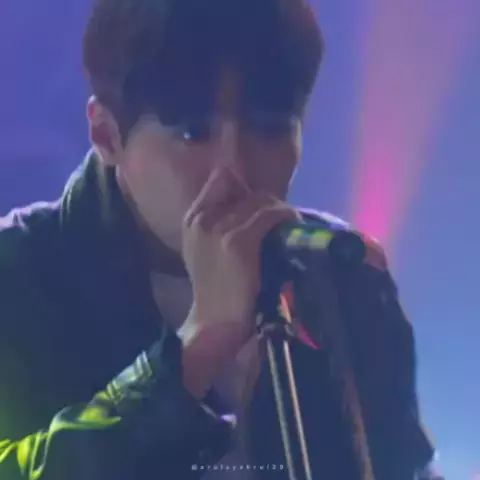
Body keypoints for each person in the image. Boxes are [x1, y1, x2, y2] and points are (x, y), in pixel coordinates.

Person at [0, 0, 442, 478]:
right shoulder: (18, 272)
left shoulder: (342, 273)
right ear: (106, 135)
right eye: (193, 133)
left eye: (271, 129)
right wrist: (197, 347)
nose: (234, 169)